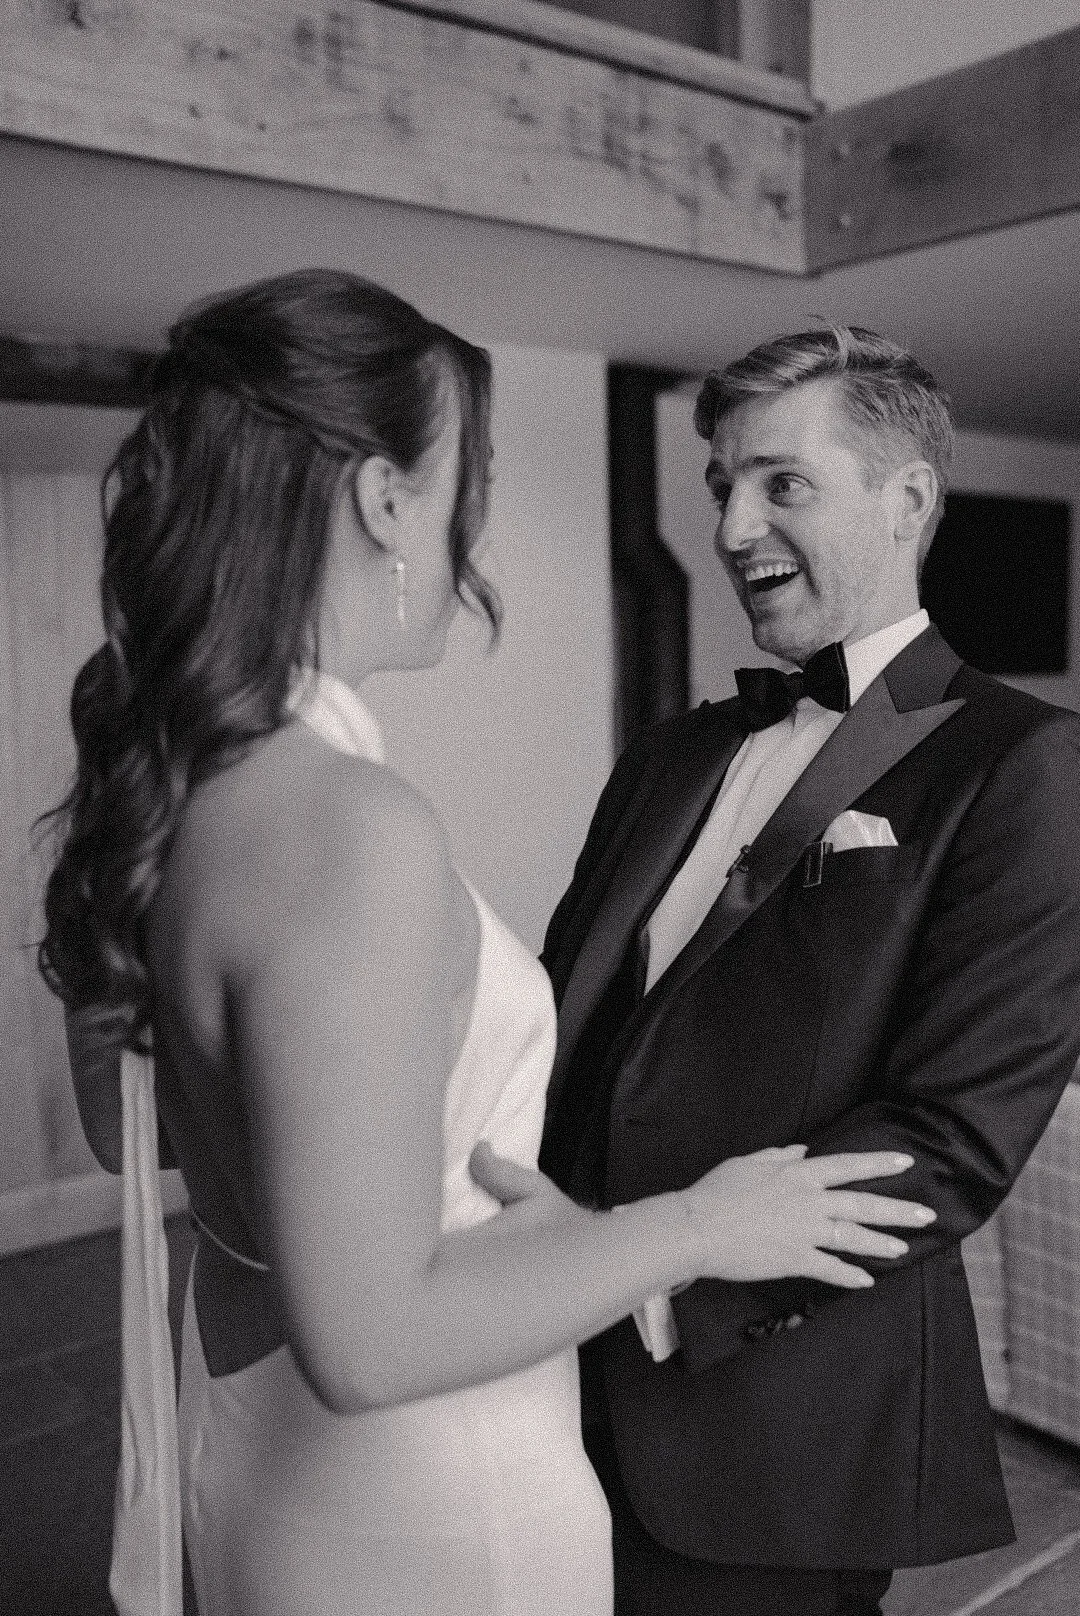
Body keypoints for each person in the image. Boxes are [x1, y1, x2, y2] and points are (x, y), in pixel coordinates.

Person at [40, 277, 932, 1616]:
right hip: (428, 1496)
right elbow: (375, 1341)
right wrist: (702, 1223)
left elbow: (139, 1138)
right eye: (477, 471)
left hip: (256, 1435)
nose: (479, 520)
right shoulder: (353, 828)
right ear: (385, 498)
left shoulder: (165, 781)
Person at [539, 326, 1080, 1616]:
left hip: (778, 1414)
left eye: (782, 483)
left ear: (907, 502)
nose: (732, 526)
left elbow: (952, 1132)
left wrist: (669, 1280)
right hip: (551, 1368)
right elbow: (575, 1016)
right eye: (723, 484)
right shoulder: (673, 752)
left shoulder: (1025, 764)